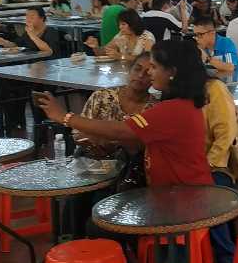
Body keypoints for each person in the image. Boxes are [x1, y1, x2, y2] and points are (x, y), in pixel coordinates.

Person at [35, 39, 213, 187]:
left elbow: (122, 130)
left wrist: (64, 117)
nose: (148, 73)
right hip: (181, 193)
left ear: (172, 73)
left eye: (154, 67)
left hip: (184, 200)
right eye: (140, 68)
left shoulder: (171, 109)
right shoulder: (182, 104)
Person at [202, 76, 238, 263]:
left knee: (210, 194)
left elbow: (225, 135)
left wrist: (207, 166)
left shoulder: (214, 89)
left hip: (217, 164)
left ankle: (226, 256)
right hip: (189, 165)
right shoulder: (171, 93)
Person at [0, 6, 66, 59]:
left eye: (32, 17)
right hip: (31, 63)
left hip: (48, 64)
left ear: (42, 18)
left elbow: (48, 51)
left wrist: (32, 35)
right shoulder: (28, 32)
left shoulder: (51, 31)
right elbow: (17, 45)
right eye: (27, 16)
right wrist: (5, 43)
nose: (28, 19)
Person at [86, 9, 155, 59]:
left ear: (133, 24)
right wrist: (96, 47)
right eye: (119, 24)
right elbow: (104, 52)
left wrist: (121, 56)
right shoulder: (121, 35)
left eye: (123, 24)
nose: (120, 27)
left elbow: (148, 59)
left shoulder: (147, 37)